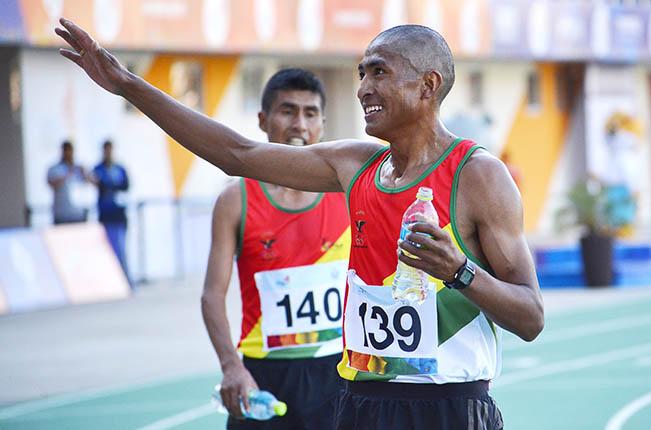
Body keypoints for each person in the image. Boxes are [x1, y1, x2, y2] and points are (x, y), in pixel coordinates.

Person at [57, 19, 544, 430]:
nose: (363, 88)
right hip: (360, 403)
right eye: (361, 73)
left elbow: (530, 317)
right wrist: (127, 84)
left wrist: (459, 270)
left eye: (379, 72)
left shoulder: (479, 176)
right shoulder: (356, 166)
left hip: (447, 407)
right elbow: (236, 154)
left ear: (428, 85)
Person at [201, 69, 349, 429]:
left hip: (337, 371)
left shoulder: (348, 194)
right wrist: (231, 366)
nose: (299, 124)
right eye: (288, 111)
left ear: (322, 124)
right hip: (263, 375)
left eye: (310, 113)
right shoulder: (235, 200)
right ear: (263, 120)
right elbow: (212, 295)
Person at [92, 140, 131, 282]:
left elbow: (126, 186)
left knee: (121, 250)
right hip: (105, 215)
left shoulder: (120, 169)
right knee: (108, 251)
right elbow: (99, 186)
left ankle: (125, 280)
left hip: (119, 215)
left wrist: (109, 185)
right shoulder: (98, 169)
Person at [47, 140, 88, 224]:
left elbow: (91, 183)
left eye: (70, 150)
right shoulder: (55, 169)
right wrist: (67, 175)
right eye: (66, 150)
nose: (68, 153)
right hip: (62, 215)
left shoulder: (79, 168)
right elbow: (51, 184)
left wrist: (84, 174)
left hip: (79, 214)